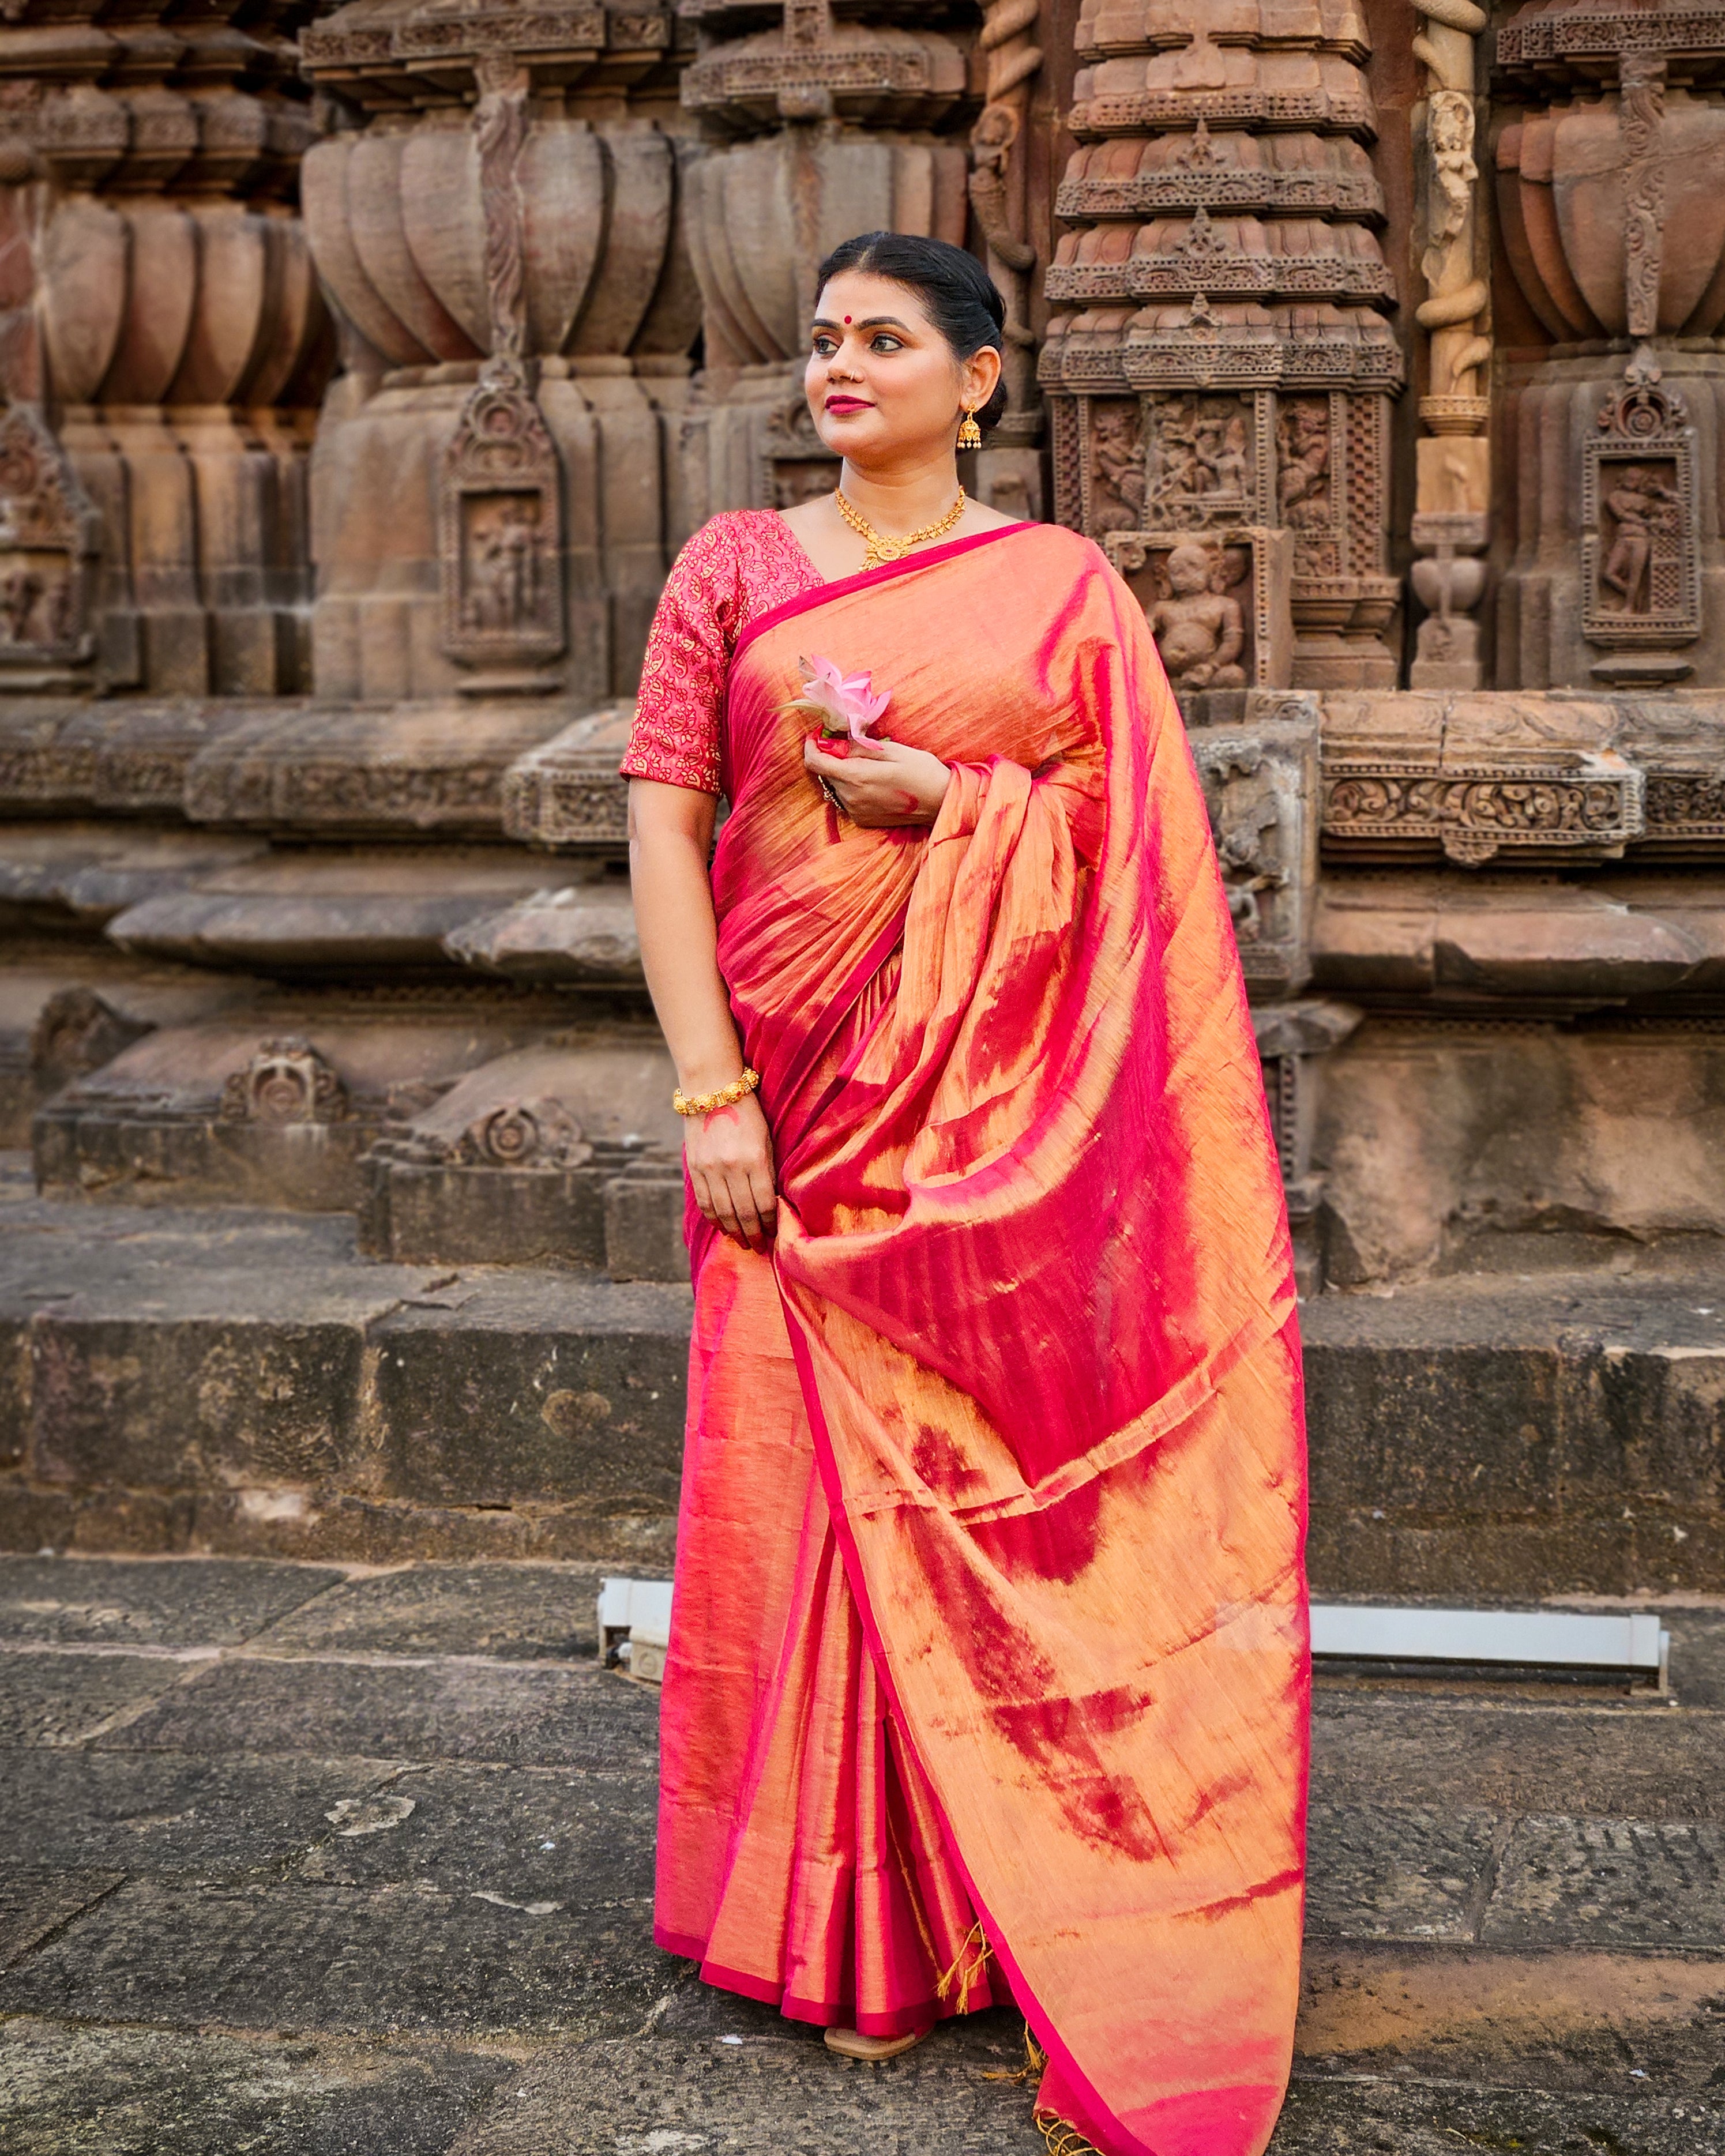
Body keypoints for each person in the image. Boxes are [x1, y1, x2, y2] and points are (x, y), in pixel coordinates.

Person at [623, 229, 1308, 2156]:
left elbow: (1136, 859)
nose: (839, 366)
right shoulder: (732, 567)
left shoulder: (1060, 589)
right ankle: (842, 1925)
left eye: (886, 339)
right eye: (822, 339)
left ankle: (1001, 1894)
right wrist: (710, 1088)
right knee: (795, 1488)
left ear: (982, 375)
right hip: (786, 1088)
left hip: (983, 1127)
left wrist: (959, 807)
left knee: (957, 1484)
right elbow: (664, 825)